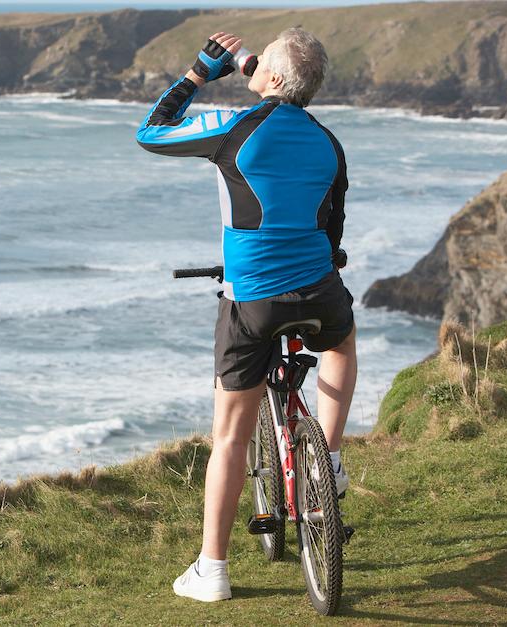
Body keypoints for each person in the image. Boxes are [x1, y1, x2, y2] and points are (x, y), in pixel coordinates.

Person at [135, 28, 358, 603]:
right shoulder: (327, 140)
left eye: (263, 67)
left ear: (276, 80)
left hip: (253, 301)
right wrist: (258, 68)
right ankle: (328, 459)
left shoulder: (232, 129)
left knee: (230, 437)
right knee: (340, 344)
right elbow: (331, 226)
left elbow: (151, 133)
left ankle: (213, 570)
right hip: (319, 290)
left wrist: (198, 73)